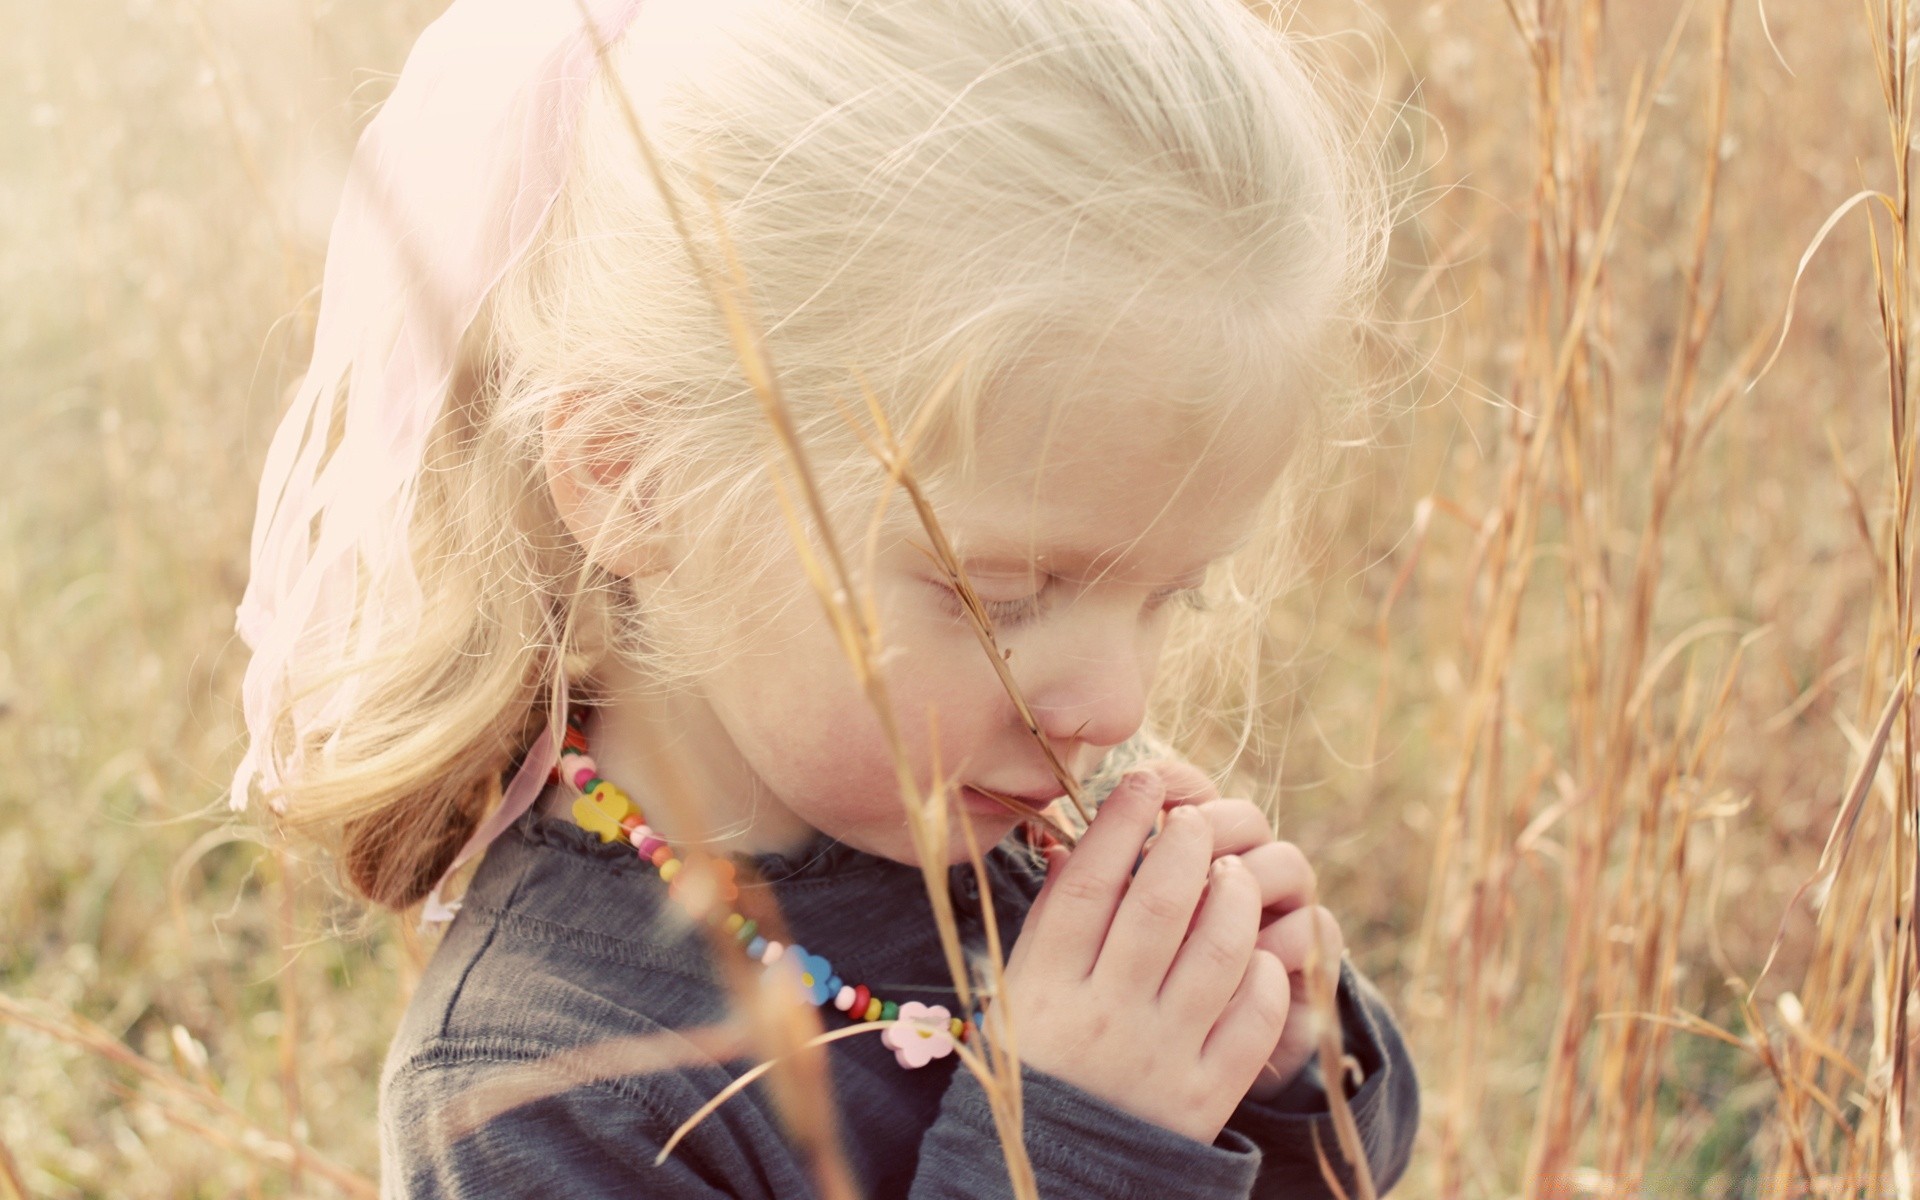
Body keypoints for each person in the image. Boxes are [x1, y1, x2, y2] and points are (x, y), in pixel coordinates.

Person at [229, 0, 1420, 1195]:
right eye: (999, 593)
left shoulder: (1003, 832)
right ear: (635, 481)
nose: (1114, 703)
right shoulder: (537, 1097)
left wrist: (1287, 1064)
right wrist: (1077, 1146)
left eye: (1178, 595)